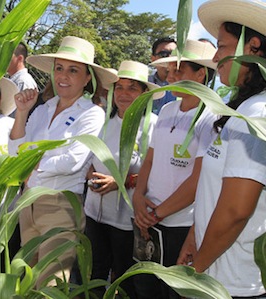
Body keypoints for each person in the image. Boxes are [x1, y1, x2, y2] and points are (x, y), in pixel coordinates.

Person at [8, 36, 118, 287]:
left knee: (50, 284)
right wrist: (22, 112)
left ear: (88, 77)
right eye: (59, 68)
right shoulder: (42, 109)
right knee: (26, 280)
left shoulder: (91, 113)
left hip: (60, 206)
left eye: (73, 70)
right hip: (29, 203)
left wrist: (32, 162)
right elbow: (15, 151)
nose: (63, 76)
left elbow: (72, 161)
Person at [177, 1, 266, 297]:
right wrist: (193, 237)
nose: (215, 57)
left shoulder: (256, 113)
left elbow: (236, 210)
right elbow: (213, 189)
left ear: (252, 46)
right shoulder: (241, 109)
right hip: (217, 268)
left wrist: (196, 273)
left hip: (232, 283)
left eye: (222, 47)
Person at [132, 39, 218, 299]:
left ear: (200, 74)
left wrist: (157, 213)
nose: (169, 76)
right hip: (148, 216)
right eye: (169, 70)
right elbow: (150, 158)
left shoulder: (211, 117)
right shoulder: (168, 109)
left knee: (174, 291)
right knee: (145, 287)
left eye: (178, 71)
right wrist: (138, 197)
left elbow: (198, 180)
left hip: (180, 225)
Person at [84, 60, 162, 298]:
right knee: (95, 272)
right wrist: (91, 175)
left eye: (132, 88)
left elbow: (156, 173)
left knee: (125, 277)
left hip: (127, 221)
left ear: (144, 94)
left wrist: (120, 182)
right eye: (119, 87)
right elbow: (89, 158)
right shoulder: (104, 124)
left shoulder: (153, 127)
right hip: (94, 214)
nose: (124, 94)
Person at [149, 37, 177, 115]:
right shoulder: (144, 83)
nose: (169, 58)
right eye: (164, 54)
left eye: (174, 54)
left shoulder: (187, 86)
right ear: (153, 59)